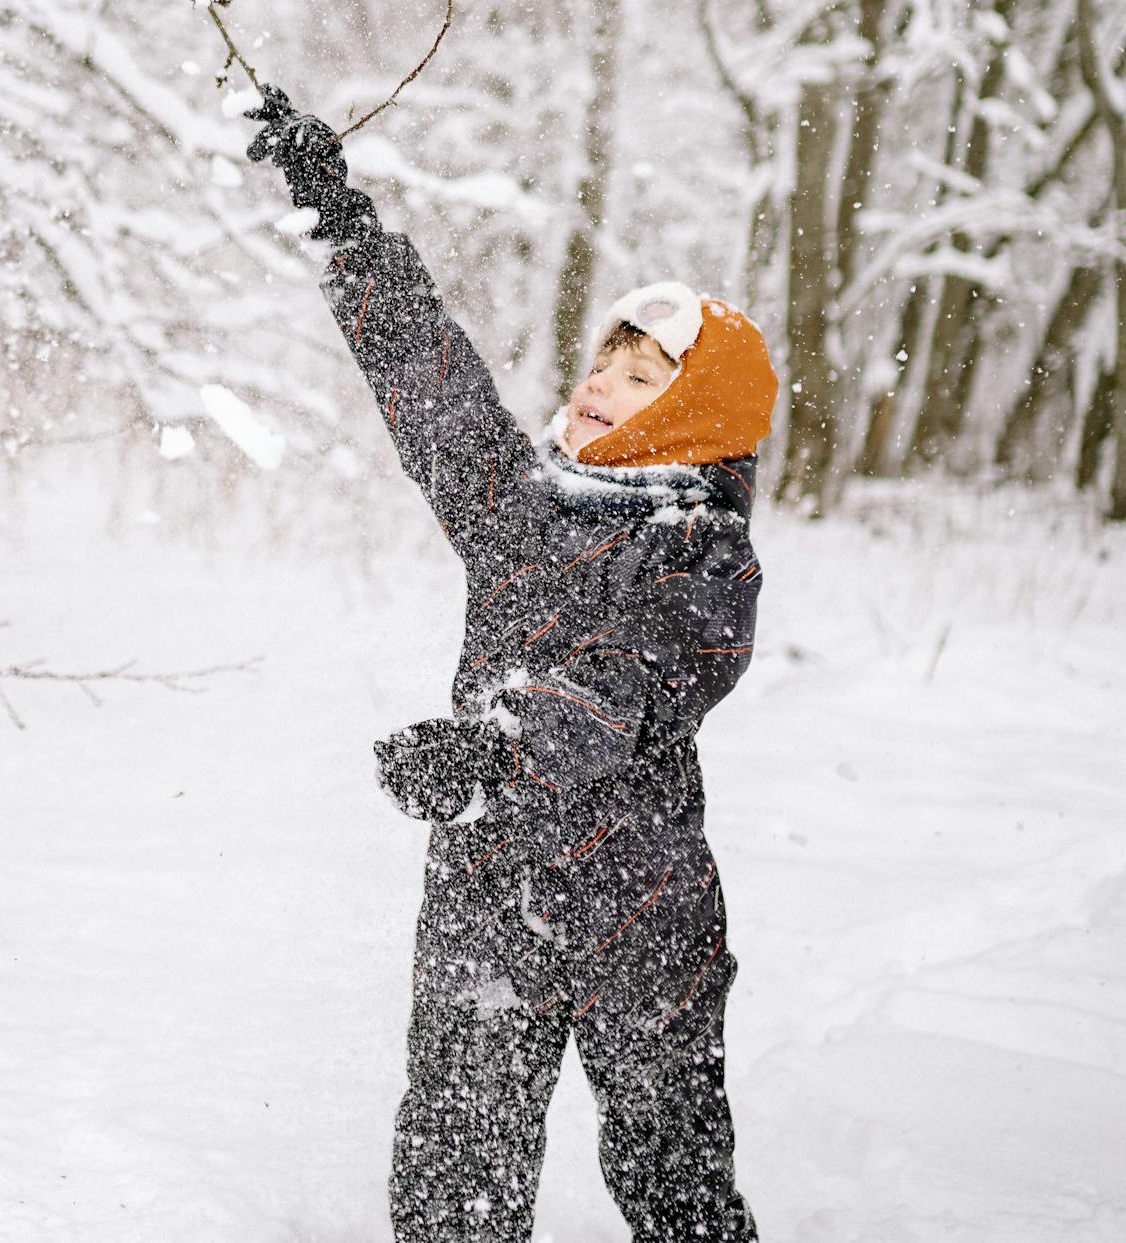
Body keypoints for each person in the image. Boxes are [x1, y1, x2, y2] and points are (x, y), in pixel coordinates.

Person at [244, 84, 774, 1243]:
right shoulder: (524, 510)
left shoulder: (704, 552)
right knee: (453, 1180)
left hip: (642, 915)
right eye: (603, 364)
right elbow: (437, 396)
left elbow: (623, 689)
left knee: (673, 1180)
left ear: (701, 412)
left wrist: (496, 753)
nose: (596, 387)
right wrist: (344, 229)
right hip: (485, 899)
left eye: (640, 380)